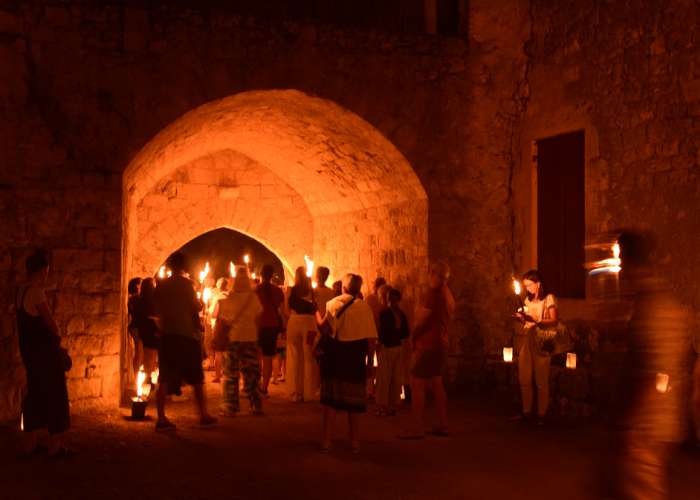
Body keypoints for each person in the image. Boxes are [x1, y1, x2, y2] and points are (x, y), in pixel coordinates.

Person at [613, 231, 690, 500]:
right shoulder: (644, 303)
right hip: (645, 423)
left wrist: (636, 422)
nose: (620, 267)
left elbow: (661, 372)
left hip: (648, 425)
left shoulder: (657, 307)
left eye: (622, 259)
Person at [15, 249, 72, 458]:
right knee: (56, 395)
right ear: (41, 270)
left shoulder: (20, 291)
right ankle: (55, 446)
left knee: (35, 394)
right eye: (46, 270)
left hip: (29, 352)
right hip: (44, 354)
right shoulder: (36, 291)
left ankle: (29, 443)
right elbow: (50, 324)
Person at [153, 252, 216, 431]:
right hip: (185, 335)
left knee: (164, 377)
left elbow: (156, 307)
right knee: (196, 377)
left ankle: (161, 417)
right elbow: (195, 307)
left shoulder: (161, 286)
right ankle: (203, 414)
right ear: (182, 267)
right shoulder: (187, 285)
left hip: (167, 335)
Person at [317, 274, 378, 453]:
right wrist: (369, 363)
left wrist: (315, 313)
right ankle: (354, 441)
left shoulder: (334, 304)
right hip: (355, 358)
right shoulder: (365, 307)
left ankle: (327, 440)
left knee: (330, 401)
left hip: (336, 356)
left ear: (344, 287)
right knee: (354, 403)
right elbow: (371, 339)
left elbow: (325, 329)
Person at [400, 262, 454, 439]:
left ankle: (416, 428)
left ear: (435, 275)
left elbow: (422, 320)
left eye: (432, 274)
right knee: (437, 383)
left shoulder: (433, 295)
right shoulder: (447, 296)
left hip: (427, 344)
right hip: (441, 344)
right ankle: (443, 424)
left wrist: (412, 335)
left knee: (417, 384)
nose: (430, 277)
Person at [511, 270, 558, 426]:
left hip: (542, 340)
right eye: (525, 286)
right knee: (524, 377)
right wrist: (521, 318)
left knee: (541, 379)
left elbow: (553, 320)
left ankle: (541, 414)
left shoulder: (548, 298)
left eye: (530, 285)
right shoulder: (527, 300)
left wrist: (536, 320)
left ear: (538, 283)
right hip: (527, 339)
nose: (528, 288)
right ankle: (526, 412)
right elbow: (526, 321)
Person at [217, 269, 264, 416]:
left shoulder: (228, 299)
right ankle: (256, 405)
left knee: (231, 373)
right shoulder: (254, 299)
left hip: (233, 339)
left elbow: (223, 320)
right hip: (250, 338)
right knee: (252, 373)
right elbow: (258, 319)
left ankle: (230, 407)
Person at [285, 266, 318, 402]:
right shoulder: (312, 291)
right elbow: (316, 308)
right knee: (308, 356)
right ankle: (309, 392)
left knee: (294, 356)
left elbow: (286, 310)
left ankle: (295, 393)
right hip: (309, 324)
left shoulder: (290, 290)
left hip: (294, 322)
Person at [376, 287, 410, 416]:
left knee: (385, 378)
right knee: (394, 378)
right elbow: (405, 332)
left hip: (388, 347)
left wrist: (379, 345)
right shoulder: (401, 313)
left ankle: (384, 406)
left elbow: (382, 332)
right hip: (397, 346)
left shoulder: (384, 313)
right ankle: (391, 405)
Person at [256, 264, 286, 396]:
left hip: (258, 325)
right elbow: (282, 310)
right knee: (267, 357)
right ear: (271, 275)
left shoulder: (256, 290)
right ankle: (264, 387)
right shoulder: (278, 291)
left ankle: (255, 385)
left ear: (261, 275)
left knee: (257, 357)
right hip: (272, 326)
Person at [133, 277, 160, 380]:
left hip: (143, 329)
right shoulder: (152, 300)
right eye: (153, 283)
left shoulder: (139, 299)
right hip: (151, 328)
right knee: (150, 356)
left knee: (144, 355)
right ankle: (148, 378)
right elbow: (153, 315)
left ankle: (142, 378)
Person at [209, 277, 230, 383]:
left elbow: (214, 314)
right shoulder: (231, 297)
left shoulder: (218, 298)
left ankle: (218, 376)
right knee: (228, 352)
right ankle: (228, 373)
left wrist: (209, 312)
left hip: (221, 326)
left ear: (219, 286)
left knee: (218, 352)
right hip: (230, 327)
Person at [127, 277, 142, 379]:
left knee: (139, 353)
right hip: (137, 327)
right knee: (139, 353)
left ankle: (137, 376)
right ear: (137, 286)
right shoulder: (137, 299)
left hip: (134, 326)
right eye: (141, 283)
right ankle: (136, 377)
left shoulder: (132, 299)